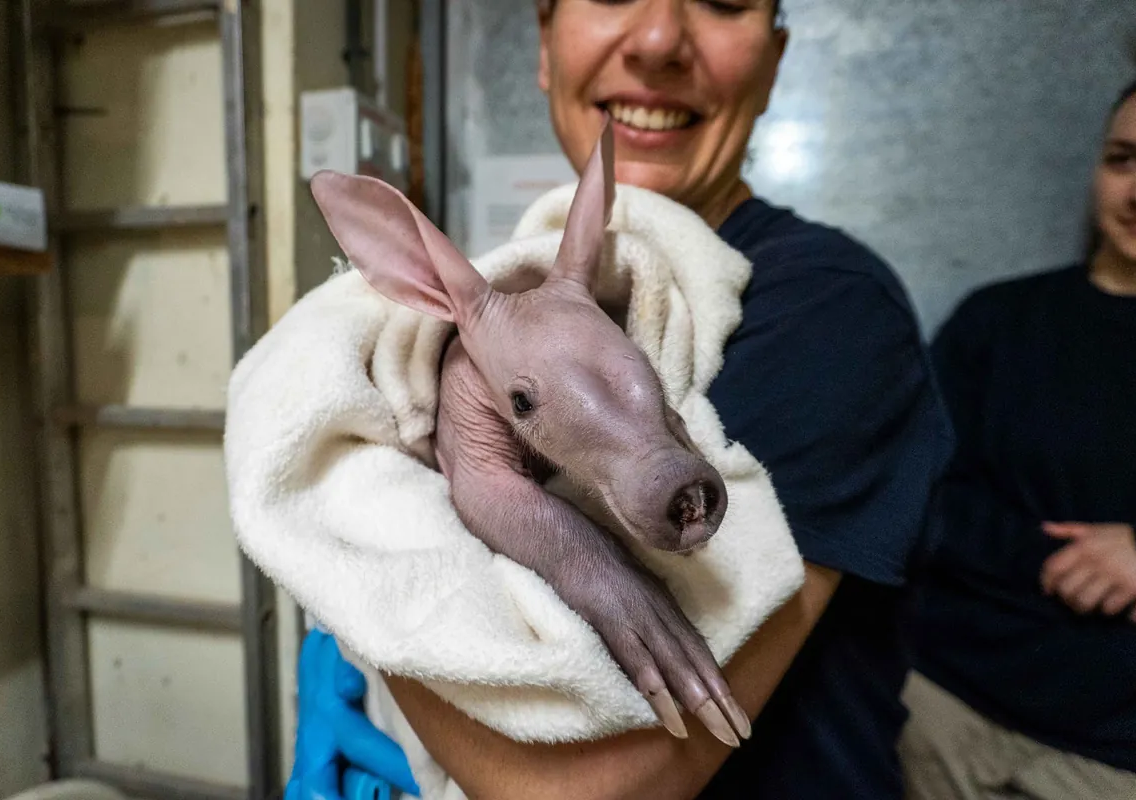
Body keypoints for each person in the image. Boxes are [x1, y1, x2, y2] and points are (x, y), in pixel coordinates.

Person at [290, 1, 953, 798]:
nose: (657, 39)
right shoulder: (505, 289)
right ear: (544, 46)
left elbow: (577, 790)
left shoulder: (831, 312)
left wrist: (344, 566)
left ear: (776, 58)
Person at [898, 77, 1136, 800]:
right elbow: (920, 490)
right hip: (947, 703)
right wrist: (1055, 559)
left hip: (1115, 751)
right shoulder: (999, 321)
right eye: (1122, 159)